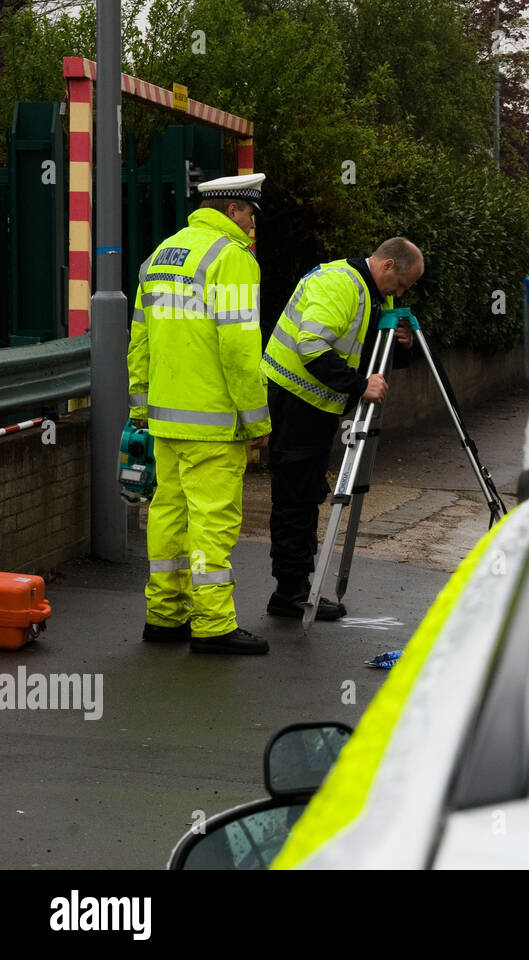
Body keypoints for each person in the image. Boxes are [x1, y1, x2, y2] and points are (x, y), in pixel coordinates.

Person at [127, 173, 271, 655]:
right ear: (233, 210)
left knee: (167, 514)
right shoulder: (231, 259)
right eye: (250, 214)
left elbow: (140, 340)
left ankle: (164, 616)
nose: (253, 226)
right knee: (212, 520)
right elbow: (238, 349)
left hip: (166, 419)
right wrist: (257, 423)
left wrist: (140, 406)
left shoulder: (159, 256)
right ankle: (213, 626)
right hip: (213, 422)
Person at [261, 238, 425, 619]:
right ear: (386, 266)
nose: (400, 295)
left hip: (316, 405)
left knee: (304, 495)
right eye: (401, 284)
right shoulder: (340, 283)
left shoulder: (375, 294)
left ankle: (298, 586)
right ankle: (290, 592)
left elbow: (367, 352)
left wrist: (402, 346)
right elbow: (312, 347)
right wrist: (357, 385)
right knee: (294, 498)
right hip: (294, 401)